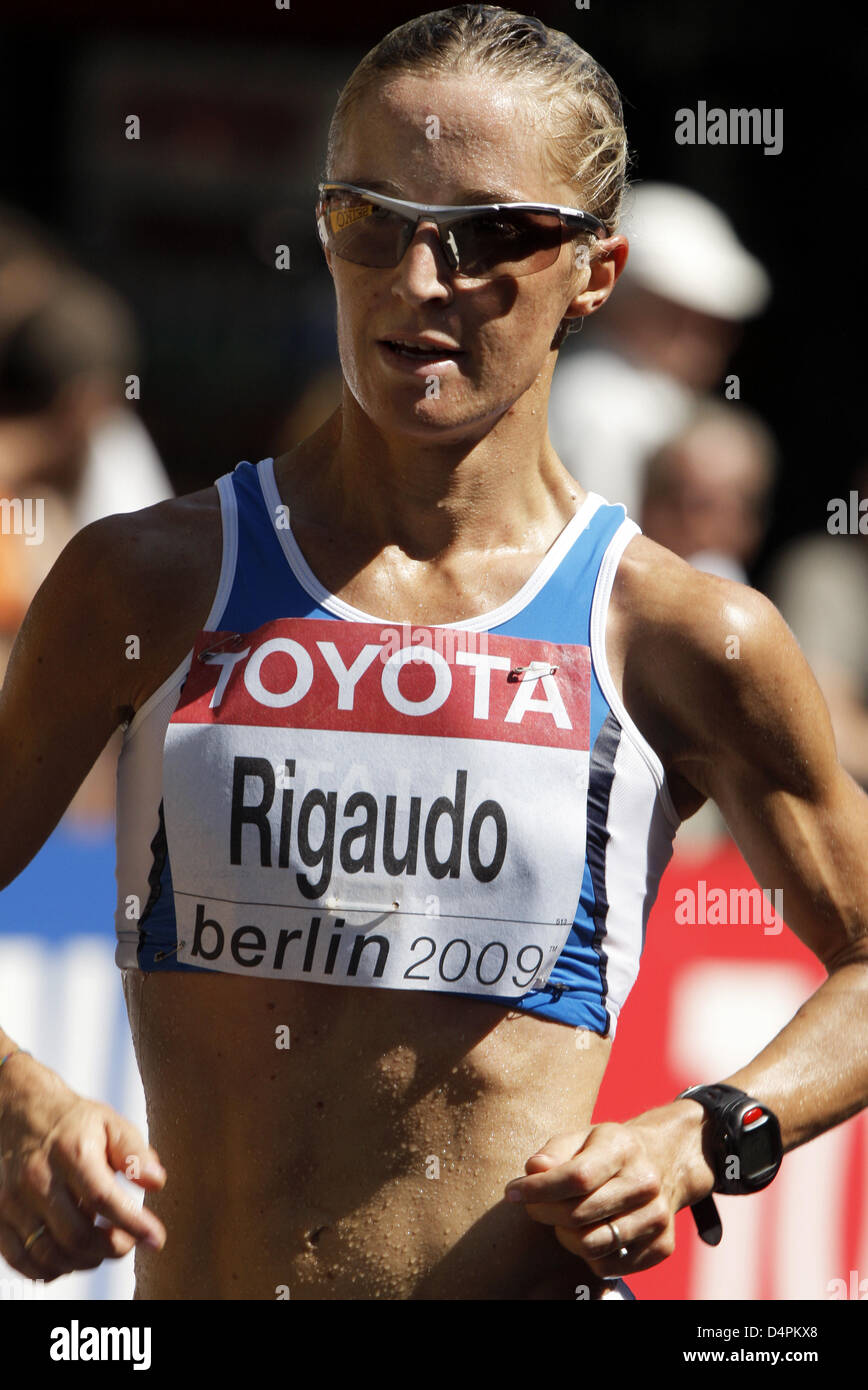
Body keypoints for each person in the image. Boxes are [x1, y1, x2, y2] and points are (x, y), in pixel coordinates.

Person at [0, 3, 866, 1302]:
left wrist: (708, 1131)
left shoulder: (682, 633)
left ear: (597, 271)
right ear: (324, 233)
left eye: (490, 236)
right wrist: (13, 1094)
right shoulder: (148, 579)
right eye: (372, 223)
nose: (420, 283)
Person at [547, 181, 771, 521]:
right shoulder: (599, 404)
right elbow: (612, 557)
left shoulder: (645, 393)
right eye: (675, 315)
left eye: (711, 322)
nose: (703, 340)